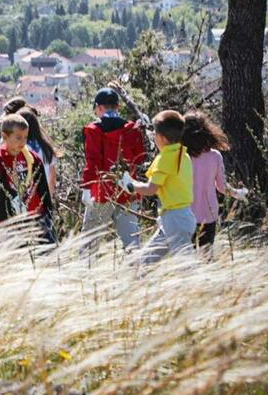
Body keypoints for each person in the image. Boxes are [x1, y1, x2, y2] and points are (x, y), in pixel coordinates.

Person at [117, 110, 197, 264]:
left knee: (186, 267)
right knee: (145, 261)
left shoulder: (165, 158)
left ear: (162, 138)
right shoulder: (183, 155)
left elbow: (150, 189)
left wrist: (130, 184)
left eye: (155, 133)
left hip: (175, 219)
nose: (153, 136)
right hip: (179, 217)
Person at [80, 87, 147, 252]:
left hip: (101, 191)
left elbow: (92, 162)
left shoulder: (93, 130)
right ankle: (137, 269)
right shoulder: (132, 129)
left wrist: (87, 187)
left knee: (89, 244)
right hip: (128, 190)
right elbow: (140, 159)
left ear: (98, 108)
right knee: (132, 242)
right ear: (118, 106)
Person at [182, 110, 248, 256]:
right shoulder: (215, 156)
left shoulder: (181, 157)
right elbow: (222, 187)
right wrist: (238, 193)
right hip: (209, 214)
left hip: (185, 214)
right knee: (207, 256)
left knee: (187, 258)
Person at [0, 114, 45, 226]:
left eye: (25, 137)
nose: (23, 142)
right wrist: (11, 196)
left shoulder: (33, 158)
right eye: (18, 138)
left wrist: (47, 213)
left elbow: (43, 187)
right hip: (8, 222)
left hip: (34, 218)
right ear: (4, 136)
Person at [17, 107, 58, 243]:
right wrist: (48, 197)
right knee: (46, 239)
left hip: (25, 200)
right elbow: (52, 176)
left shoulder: (20, 149)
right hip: (43, 199)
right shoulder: (46, 148)